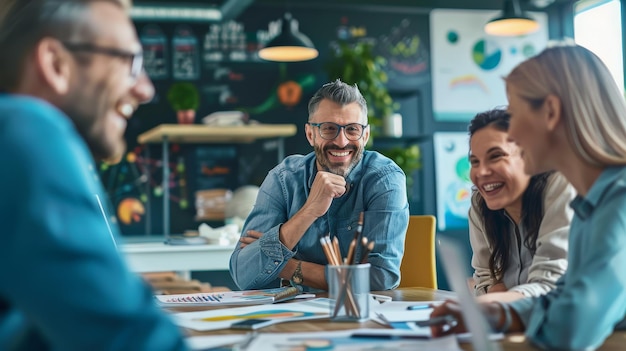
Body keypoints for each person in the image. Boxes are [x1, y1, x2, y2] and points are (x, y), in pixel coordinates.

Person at [0, 0, 188, 350]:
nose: (145, 89)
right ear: (55, 64)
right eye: (130, 62)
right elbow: (130, 338)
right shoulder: (26, 129)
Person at [431, 43, 626, 350]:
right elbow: (562, 300)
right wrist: (497, 312)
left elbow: (570, 328)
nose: (515, 134)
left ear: (550, 112)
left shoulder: (618, 202)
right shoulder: (593, 203)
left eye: (515, 113)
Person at [229, 79, 409, 291]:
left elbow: (381, 277)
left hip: (360, 316)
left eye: (352, 129)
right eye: (329, 129)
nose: (341, 141)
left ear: (365, 135)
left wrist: (288, 267)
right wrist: (310, 210)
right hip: (296, 318)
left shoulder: (384, 179)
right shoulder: (283, 179)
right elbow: (243, 275)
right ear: (310, 134)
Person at [467, 108, 574, 303]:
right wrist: (494, 297)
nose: (481, 172)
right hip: (519, 323)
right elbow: (485, 278)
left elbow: (553, 285)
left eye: (496, 156)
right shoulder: (480, 204)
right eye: (475, 162)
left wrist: (487, 305)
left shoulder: (560, 186)